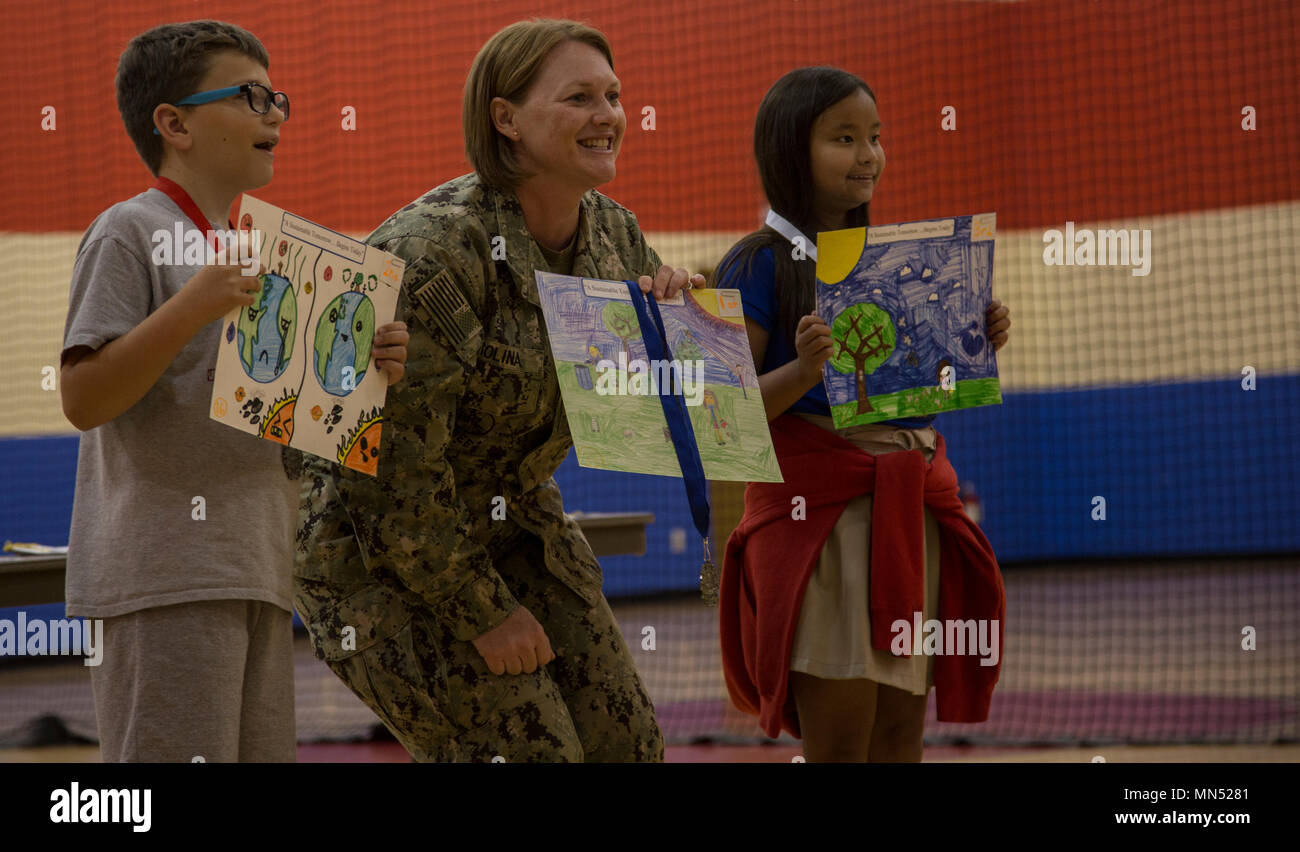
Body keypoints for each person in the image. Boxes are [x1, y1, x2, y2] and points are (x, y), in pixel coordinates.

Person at [293, 19, 700, 762]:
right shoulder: (437, 248)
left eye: (614, 95)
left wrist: (678, 328)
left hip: (513, 519)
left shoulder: (612, 234)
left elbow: (634, 416)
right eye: (579, 97)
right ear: (505, 118)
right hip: (380, 550)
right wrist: (480, 614)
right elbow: (384, 474)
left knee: (630, 747)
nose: (608, 115)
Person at [58, 20, 409, 762]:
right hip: (164, 577)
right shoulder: (129, 231)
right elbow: (83, 398)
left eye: (276, 95)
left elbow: (293, 420)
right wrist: (195, 303)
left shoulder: (256, 250)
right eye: (251, 96)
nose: (275, 112)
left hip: (256, 566)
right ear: (174, 123)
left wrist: (360, 368)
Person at [715, 67, 1011, 762]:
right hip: (821, 526)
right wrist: (803, 371)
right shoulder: (753, 265)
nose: (869, 155)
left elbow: (924, 386)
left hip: (912, 515)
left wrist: (974, 339)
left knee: (900, 735)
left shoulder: (896, 260)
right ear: (791, 150)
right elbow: (723, 415)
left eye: (875, 137)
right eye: (844, 138)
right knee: (842, 740)